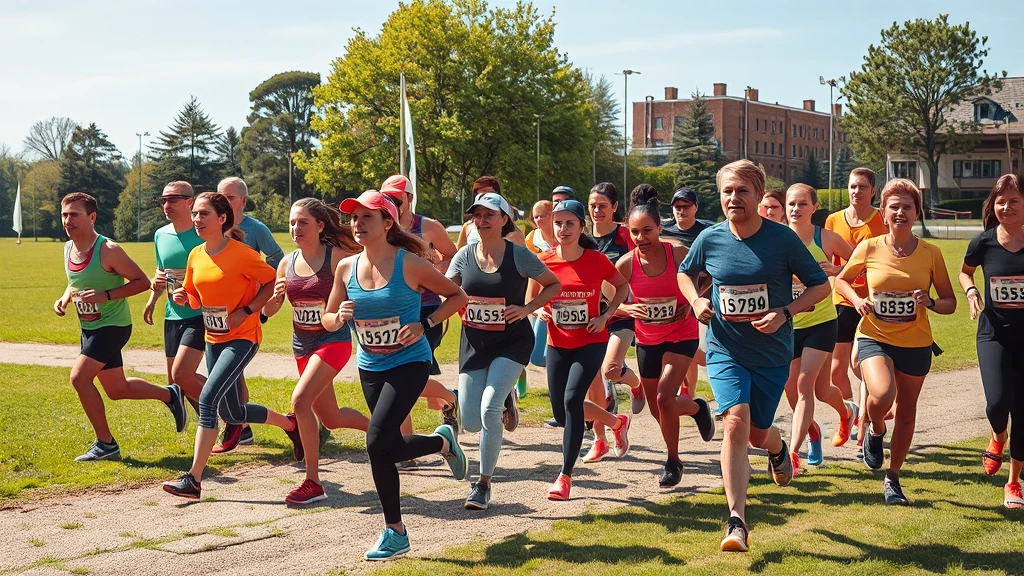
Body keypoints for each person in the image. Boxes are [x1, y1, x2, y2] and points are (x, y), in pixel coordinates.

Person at [677, 160, 830, 552]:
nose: (733, 198)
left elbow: (820, 287)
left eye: (742, 191)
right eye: (727, 191)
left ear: (759, 196)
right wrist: (695, 300)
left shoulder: (783, 240)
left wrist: (784, 313)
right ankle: (736, 521)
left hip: (772, 353)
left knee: (759, 433)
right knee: (734, 423)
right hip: (725, 348)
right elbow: (684, 272)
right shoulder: (710, 238)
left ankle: (778, 448)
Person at [321, 190, 468, 560]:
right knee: (391, 447)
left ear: (388, 222)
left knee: (375, 442)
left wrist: (426, 323)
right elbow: (327, 316)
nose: (357, 224)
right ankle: (442, 443)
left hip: (410, 364)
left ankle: (395, 532)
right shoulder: (345, 268)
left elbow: (457, 297)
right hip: (370, 366)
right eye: (354, 218)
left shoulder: (410, 264)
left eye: (366, 217)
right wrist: (337, 318)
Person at [162, 192, 302, 500]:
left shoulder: (241, 253)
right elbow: (196, 297)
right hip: (213, 338)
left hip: (242, 337)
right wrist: (184, 298)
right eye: (195, 214)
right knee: (234, 411)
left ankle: (193, 479)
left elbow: (272, 281)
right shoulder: (196, 254)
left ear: (222, 218)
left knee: (209, 399)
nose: (196, 219)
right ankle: (290, 424)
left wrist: (248, 310)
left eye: (203, 214)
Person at [835, 178, 956, 506]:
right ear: (884, 213)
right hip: (875, 335)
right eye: (894, 207)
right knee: (883, 392)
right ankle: (874, 428)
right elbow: (842, 281)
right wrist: (858, 301)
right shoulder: (870, 247)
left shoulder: (931, 254)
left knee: (906, 412)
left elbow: (949, 302)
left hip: (916, 343)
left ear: (917, 212)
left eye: (907, 206)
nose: (900, 212)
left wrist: (929, 302)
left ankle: (894, 477)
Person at [446, 192, 561, 510]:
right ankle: (507, 397)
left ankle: (482, 484)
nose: (480, 221)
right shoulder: (464, 256)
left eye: (488, 215)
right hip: (475, 343)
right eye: (476, 216)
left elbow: (553, 285)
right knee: (469, 420)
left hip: (512, 342)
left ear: (503, 220)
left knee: (488, 411)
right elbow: (446, 290)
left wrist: (527, 309)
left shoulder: (519, 256)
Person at [54, 192, 187, 462]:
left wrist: (106, 296)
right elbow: (76, 281)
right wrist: (65, 298)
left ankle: (106, 444)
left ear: (91, 217)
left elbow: (142, 281)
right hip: (89, 327)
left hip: (112, 326)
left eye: (75, 215)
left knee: (79, 378)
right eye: (65, 215)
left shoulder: (108, 250)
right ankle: (170, 394)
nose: (68, 221)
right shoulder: (68, 248)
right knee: (117, 390)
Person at [263, 198, 371, 505]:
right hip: (302, 344)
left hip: (333, 341)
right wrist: (275, 297)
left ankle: (313, 481)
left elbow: (370, 276)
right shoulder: (286, 262)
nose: (296, 228)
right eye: (292, 223)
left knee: (300, 401)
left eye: (303, 222)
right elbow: (271, 311)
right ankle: (384, 434)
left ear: (320, 225)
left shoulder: (338, 258)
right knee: (332, 417)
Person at [528, 199, 631, 501]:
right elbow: (531, 299)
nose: (562, 228)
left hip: (590, 341)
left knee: (573, 399)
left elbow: (622, 287)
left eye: (569, 223)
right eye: (558, 223)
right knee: (562, 413)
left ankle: (564, 476)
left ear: (581, 227)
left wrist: (605, 315)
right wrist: (539, 313)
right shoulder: (544, 261)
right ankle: (615, 421)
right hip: (557, 343)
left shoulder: (596, 260)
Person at [616, 186, 715, 488]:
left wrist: (695, 299)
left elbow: (710, 275)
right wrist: (628, 307)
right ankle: (698, 408)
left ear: (660, 228)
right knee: (660, 407)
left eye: (647, 230)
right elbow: (605, 300)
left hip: (681, 334)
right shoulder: (627, 264)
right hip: (647, 340)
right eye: (635, 232)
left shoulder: (679, 253)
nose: (641, 238)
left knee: (664, 396)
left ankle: (673, 460)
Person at [380, 175, 460, 456]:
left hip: (426, 310)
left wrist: (436, 275)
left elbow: (452, 255)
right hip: (393, 311)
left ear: (410, 198)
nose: (390, 202)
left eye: (395, 198)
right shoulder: (382, 227)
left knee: (402, 378)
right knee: (397, 376)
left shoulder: (428, 227)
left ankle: (450, 398)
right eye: (385, 197)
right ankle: (406, 446)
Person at [959, 174, 1024, 509]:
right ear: (992, 205)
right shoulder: (983, 242)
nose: (1006, 207)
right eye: (1001, 201)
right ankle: (998, 436)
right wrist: (970, 290)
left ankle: (1014, 484)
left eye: (1014, 201)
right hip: (993, 334)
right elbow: (965, 271)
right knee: (997, 403)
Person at [781, 184, 855, 475]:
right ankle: (844, 413)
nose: (795, 209)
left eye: (802, 204)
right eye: (791, 204)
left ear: (814, 207)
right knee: (819, 391)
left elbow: (862, 262)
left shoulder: (826, 238)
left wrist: (838, 271)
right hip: (788, 324)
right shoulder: (778, 238)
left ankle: (792, 453)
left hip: (821, 323)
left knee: (804, 386)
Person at [214, 177, 285, 452]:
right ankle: (240, 426)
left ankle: (239, 425)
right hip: (220, 309)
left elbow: (278, 259)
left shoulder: (256, 229)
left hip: (248, 308)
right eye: (220, 196)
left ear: (242, 201)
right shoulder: (215, 225)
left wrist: (260, 288)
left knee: (235, 367)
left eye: (230, 197)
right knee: (234, 369)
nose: (224, 201)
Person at [826, 168, 887, 415]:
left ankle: (872, 408)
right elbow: (828, 262)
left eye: (862, 187)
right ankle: (852, 410)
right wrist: (832, 271)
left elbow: (887, 261)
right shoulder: (833, 220)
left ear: (873, 191)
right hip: (842, 299)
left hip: (873, 301)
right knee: (836, 369)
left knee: (859, 363)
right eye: (852, 186)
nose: (856, 191)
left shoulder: (882, 219)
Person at [587, 182, 640, 459]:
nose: (597, 210)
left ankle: (635, 384)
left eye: (603, 206)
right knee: (592, 381)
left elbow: (643, 265)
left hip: (622, 314)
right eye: (593, 205)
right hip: (591, 318)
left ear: (615, 208)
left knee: (609, 369)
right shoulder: (582, 237)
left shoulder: (626, 236)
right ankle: (600, 439)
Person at [143, 182, 206, 413]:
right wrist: (153, 298)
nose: (166, 205)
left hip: (201, 314)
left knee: (182, 376)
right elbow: (162, 273)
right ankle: (212, 422)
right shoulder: (160, 235)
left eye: (173, 200)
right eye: (164, 200)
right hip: (172, 314)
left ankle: (233, 416)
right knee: (174, 379)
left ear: (190, 202)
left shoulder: (203, 233)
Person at [659, 186, 715, 412]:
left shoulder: (707, 232)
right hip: (673, 301)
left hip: (703, 298)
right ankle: (688, 397)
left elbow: (712, 270)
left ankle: (723, 393)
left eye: (686, 206)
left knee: (705, 353)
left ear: (695, 208)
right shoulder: (664, 230)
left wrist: (695, 298)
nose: (681, 211)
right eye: (677, 207)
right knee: (688, 353)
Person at [456, 176, 526, 249]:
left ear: (504, 220)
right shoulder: (467, 227)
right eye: (480, 195)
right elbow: (457, 253)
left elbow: (522, 255)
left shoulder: (513, 231)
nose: (485, 198)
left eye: (490, 193)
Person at [527, 200, 555, 369]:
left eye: (541, 216)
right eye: (535, 217)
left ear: (551, 215)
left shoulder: (566, 238)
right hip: (542, 303)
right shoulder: (532, 239)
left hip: (564, 303)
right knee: (535, 357)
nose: (537, 220)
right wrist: (535, 309)